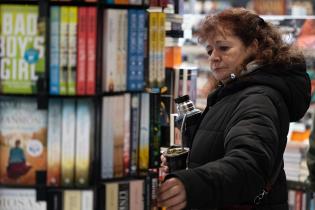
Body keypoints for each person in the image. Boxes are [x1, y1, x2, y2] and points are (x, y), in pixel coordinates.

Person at [157, 8, 311, 210]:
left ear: (254, 47)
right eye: (210, 50)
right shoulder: (234, 90)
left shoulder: (258, 98)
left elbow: (248, 165)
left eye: (224, 48)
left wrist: (191, 184)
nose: (214, 57)